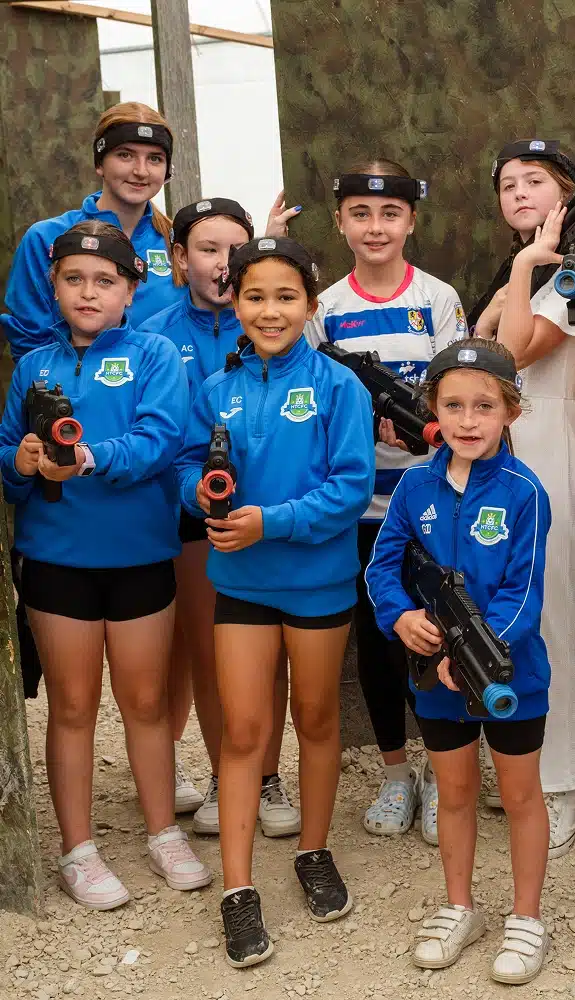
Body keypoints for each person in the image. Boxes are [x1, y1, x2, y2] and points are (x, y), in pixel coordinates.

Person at [174, 236, 375, 968]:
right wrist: (199, 492)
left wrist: (273, 521)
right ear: (235, 302)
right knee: (244, 733)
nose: (270, 309)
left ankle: (314, 852)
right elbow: (188, 463)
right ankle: (237, 889)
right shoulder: (217, 389)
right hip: (242, 587)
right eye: (254, 295)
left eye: (286, 296)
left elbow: (352, 488)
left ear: (312, 307)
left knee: (316, 718)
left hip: (317, 582)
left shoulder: (336, 388)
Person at [0, 221, 208, 909]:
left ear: (130, 290)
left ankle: (160, 833)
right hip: (57, 557)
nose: (88, 292)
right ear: (54, 286)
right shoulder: (34, 366)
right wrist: (24, 463)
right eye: (73, 279)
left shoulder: (153, 355)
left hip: (141, 554)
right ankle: (78, 849)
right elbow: (9, 457)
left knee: (147, 702)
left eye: (105, 280)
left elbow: (158, 440)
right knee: (73, 705)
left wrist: (89, 456)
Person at [366, 338, 552, 984]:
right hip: (434, 677)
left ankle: (526, 917)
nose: (469, 421)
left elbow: (524, 593)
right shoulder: (415, 483)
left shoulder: (526, 492)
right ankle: (460, 905)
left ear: (511, 413)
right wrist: (400, 616)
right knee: (454, 792)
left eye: (484, 406)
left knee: (522, 796)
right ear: (433, 411)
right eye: (454, 406)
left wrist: (481, 653)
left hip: (512, 677)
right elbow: (382, 564)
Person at [304, 159, 466, 846]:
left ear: (411, 221)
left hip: (429, 496)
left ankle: (439, 771)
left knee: (437, 634)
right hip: (361, 505)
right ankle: (396, 771)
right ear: (340, 221)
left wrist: (419, 417)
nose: (376, 227)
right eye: (361, 214)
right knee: (377, 642)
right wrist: (357, 424)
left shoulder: (437, 298)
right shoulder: (324, 310)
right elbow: (309, 400)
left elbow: (460, 391)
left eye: (391, 214)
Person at [142, 195, 303, 836]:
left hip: (271, 511)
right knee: (215, 653)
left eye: (234, 251)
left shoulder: (269, 320)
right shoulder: (152, 331)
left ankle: (267, 775)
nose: (222, 263)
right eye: (207, 250)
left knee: (273, 656)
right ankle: (222, 770)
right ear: (180, 259)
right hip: (191, 515)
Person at [476, 139, 575, 857]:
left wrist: (522, 276)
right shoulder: (515, 269)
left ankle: (564, 786)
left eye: (536, 181)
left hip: (551, 439)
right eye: (508, 183)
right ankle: (519, 773)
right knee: (493, 609)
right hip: (490, 444)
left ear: (568, 194)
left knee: (555, 609)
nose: (520, 192)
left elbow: (506, 354)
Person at [1, 102, 184, 365]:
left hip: (162, 399)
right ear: (100, 163)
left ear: (167, 170)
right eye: (125, 155)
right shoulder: (46, 238)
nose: (141, 171)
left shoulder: (179, 242)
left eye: (154, 158)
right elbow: (30, 345)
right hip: (76, 401)